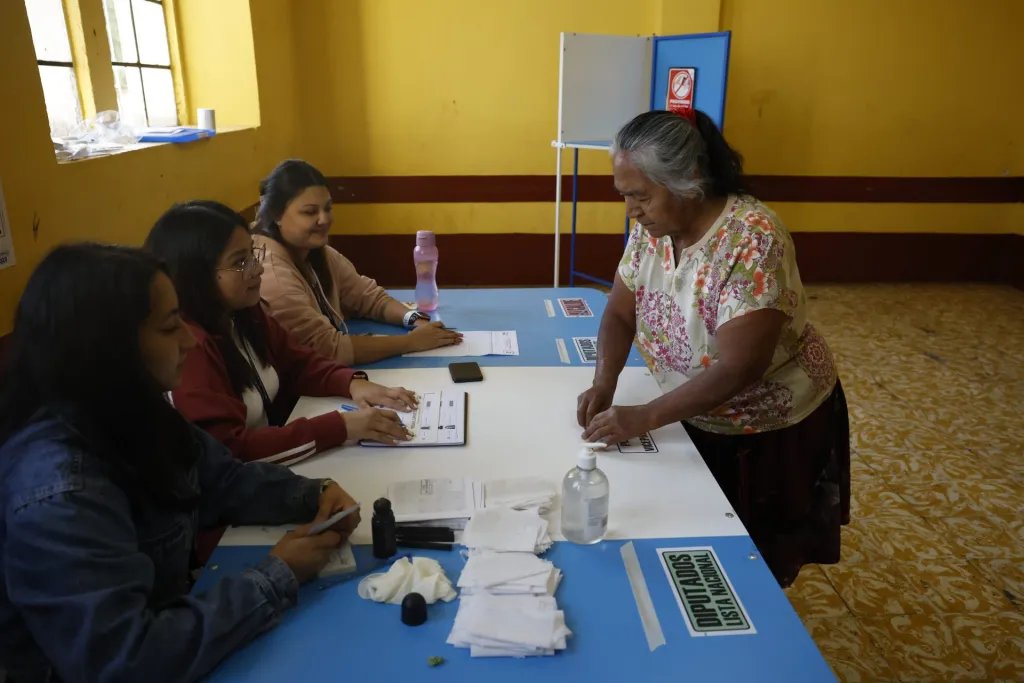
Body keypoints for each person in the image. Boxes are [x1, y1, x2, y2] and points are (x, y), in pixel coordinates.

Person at [0, 243, 361, 682]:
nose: (189, 341)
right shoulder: (61, 491)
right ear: (110, 347)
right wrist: (276, 575)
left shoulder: (134, 410)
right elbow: (126, 661)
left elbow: (223, 480)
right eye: (172, 327)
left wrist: (311, 493)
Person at [577, 109, 849, 587]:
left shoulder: (753, 239)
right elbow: (621, 311)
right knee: (694, 531)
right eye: (625, 197)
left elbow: (739, 368)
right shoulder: (654, 228)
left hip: (762, 424)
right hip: (691, 411)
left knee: (752, 555)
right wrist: (605, 380)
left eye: (640, 196)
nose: (631, 211)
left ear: (690, 181)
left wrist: (642, 417)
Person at [146, 200, 416, 468]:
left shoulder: (244, 313)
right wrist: (340, 427)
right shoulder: (188, 348)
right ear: (196, 275)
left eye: (252, 254)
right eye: (241, 262)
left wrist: (352, 384)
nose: (258, 268)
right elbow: (231, 453)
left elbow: (299, 363)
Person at [253, 159, 462, 364]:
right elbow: (331, 350)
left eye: (327, 208)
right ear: (276, 215)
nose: (324, 219)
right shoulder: (272, 275)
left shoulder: (315, 251)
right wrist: (410, 342)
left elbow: (368, 297)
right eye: (310, 212)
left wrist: (414, 319)